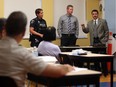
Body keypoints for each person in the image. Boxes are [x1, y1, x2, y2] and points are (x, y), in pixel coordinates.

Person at [0, 11, 74, 87]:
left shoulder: (38, 45)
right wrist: (66, 68)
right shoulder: (22, 54)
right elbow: (54, 72)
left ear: (4, 30)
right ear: (23, 32)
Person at [81, 9, 109, 76]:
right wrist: (83, 27)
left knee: (103, 58)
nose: (94, 15)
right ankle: (97, 72)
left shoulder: (103, 21)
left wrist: (105, 40)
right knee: (95, 58)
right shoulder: (89, 23)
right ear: (92, 15)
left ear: (97, 14)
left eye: (95, 14)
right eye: (93, 14)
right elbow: (86, 31)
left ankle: (105, 73)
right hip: (93, 42)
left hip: (101, 41)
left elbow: (106, 31)